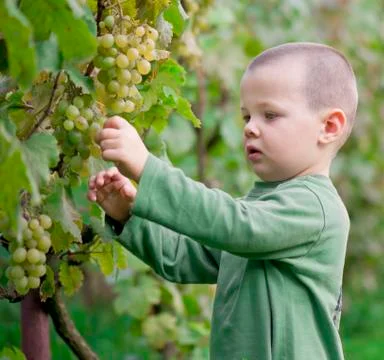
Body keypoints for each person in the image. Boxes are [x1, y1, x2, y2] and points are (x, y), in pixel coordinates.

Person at [87, 42, 358, 359]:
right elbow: (182, 258)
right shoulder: (261, 210)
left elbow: (237, 226)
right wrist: (128, 217)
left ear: (328, 127)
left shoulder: (316, 209)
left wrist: (147, 168)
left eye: (270, 115)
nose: (251, 128)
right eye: (247, 117)